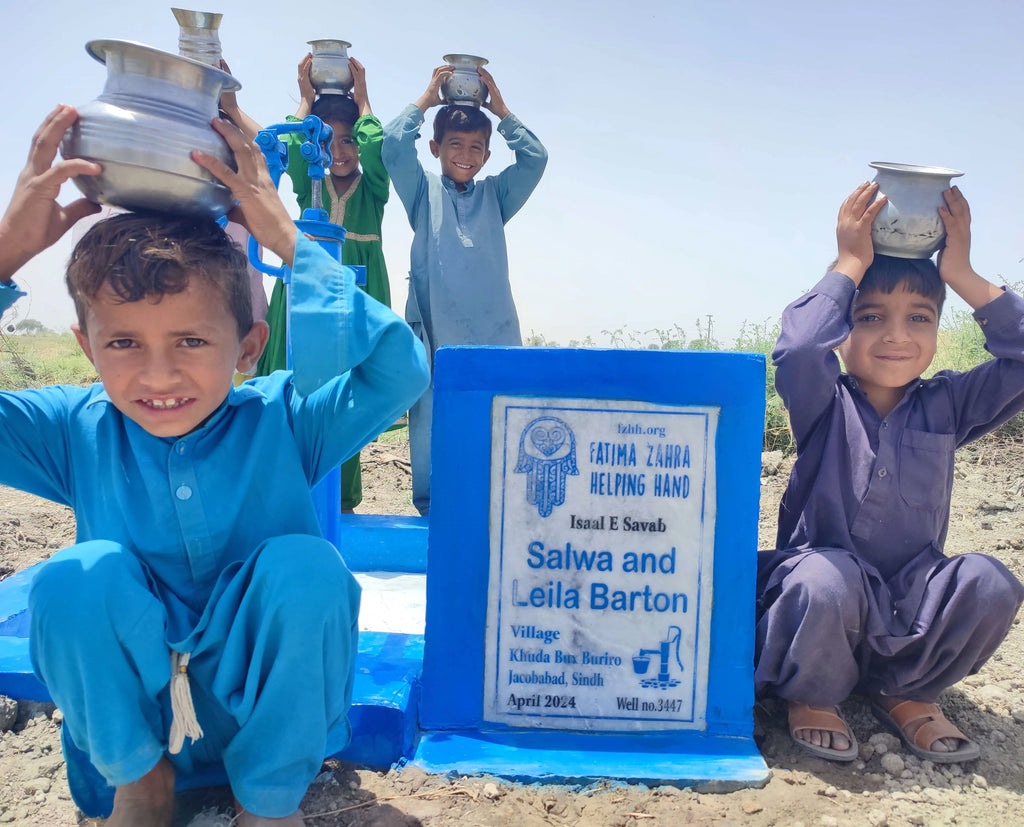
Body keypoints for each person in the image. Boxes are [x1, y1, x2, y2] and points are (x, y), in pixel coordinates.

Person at [0, 105, 429, 826]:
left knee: (307, 567)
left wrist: (289, 241)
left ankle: (265, 797)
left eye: (192, 340)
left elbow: (399, 370)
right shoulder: (75, 429)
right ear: (85, 345)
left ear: (249, 344)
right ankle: (145, 783)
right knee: (73, 577)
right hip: (126, 731)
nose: (158, 373)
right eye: (125, 343)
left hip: (257, 729)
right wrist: (7, 251)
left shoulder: (283, 418)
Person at [755, 181, 1024, 764]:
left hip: (911, 599)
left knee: (989, 582)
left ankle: (903, 690)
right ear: (842, 332)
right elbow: (799, 348)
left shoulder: (950, 404)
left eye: (919, 317)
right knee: (826, 581)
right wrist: (851, 260)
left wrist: (963, 274)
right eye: (870, 316)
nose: (897, 334)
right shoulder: (822, 401)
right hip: (822, 599)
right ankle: (812, 694)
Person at [220, 53, 390, 511]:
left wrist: (364, 100)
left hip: (356, 289)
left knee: (346, 393)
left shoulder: (373, 187)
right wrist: (305, 100)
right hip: (300, 287)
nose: (341, 150)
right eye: (329, 140)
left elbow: (377, 147)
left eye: (349, 140)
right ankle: (279, 493)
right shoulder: (305, 177)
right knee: (288, 381)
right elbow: (285, 145)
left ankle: (342, 500)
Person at [382, 63, 547, 515]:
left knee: (499, 416)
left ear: (488, 155)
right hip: (435, 330)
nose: (466, 154)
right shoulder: (422, 191)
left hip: (493, 332)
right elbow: (393, 145)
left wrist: (502, 111)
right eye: (455, 144)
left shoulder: (497, 196)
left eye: (477, 147)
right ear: (435, 148)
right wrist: (427, 99)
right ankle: (433, 507)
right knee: (432, 419)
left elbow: (536, 159)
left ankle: (502, 505)